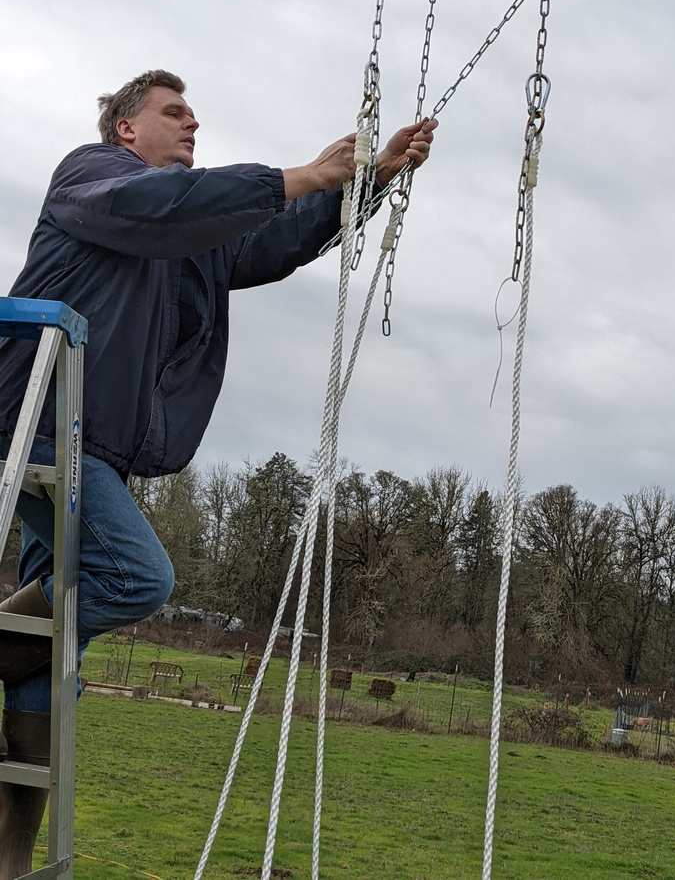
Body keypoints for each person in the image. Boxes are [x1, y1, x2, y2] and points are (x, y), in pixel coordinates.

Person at [0, 69, 437, 876]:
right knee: (136, 576)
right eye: (173, 112)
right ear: (126, 130)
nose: (192, 120)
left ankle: (10, 861)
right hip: (35, 419)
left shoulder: (189, 234)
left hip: (92, 446)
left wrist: (370, 178)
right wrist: (301, 171)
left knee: (41, 665)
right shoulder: (92, 178)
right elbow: (166, 207)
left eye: (193, 112)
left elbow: (270, 237)